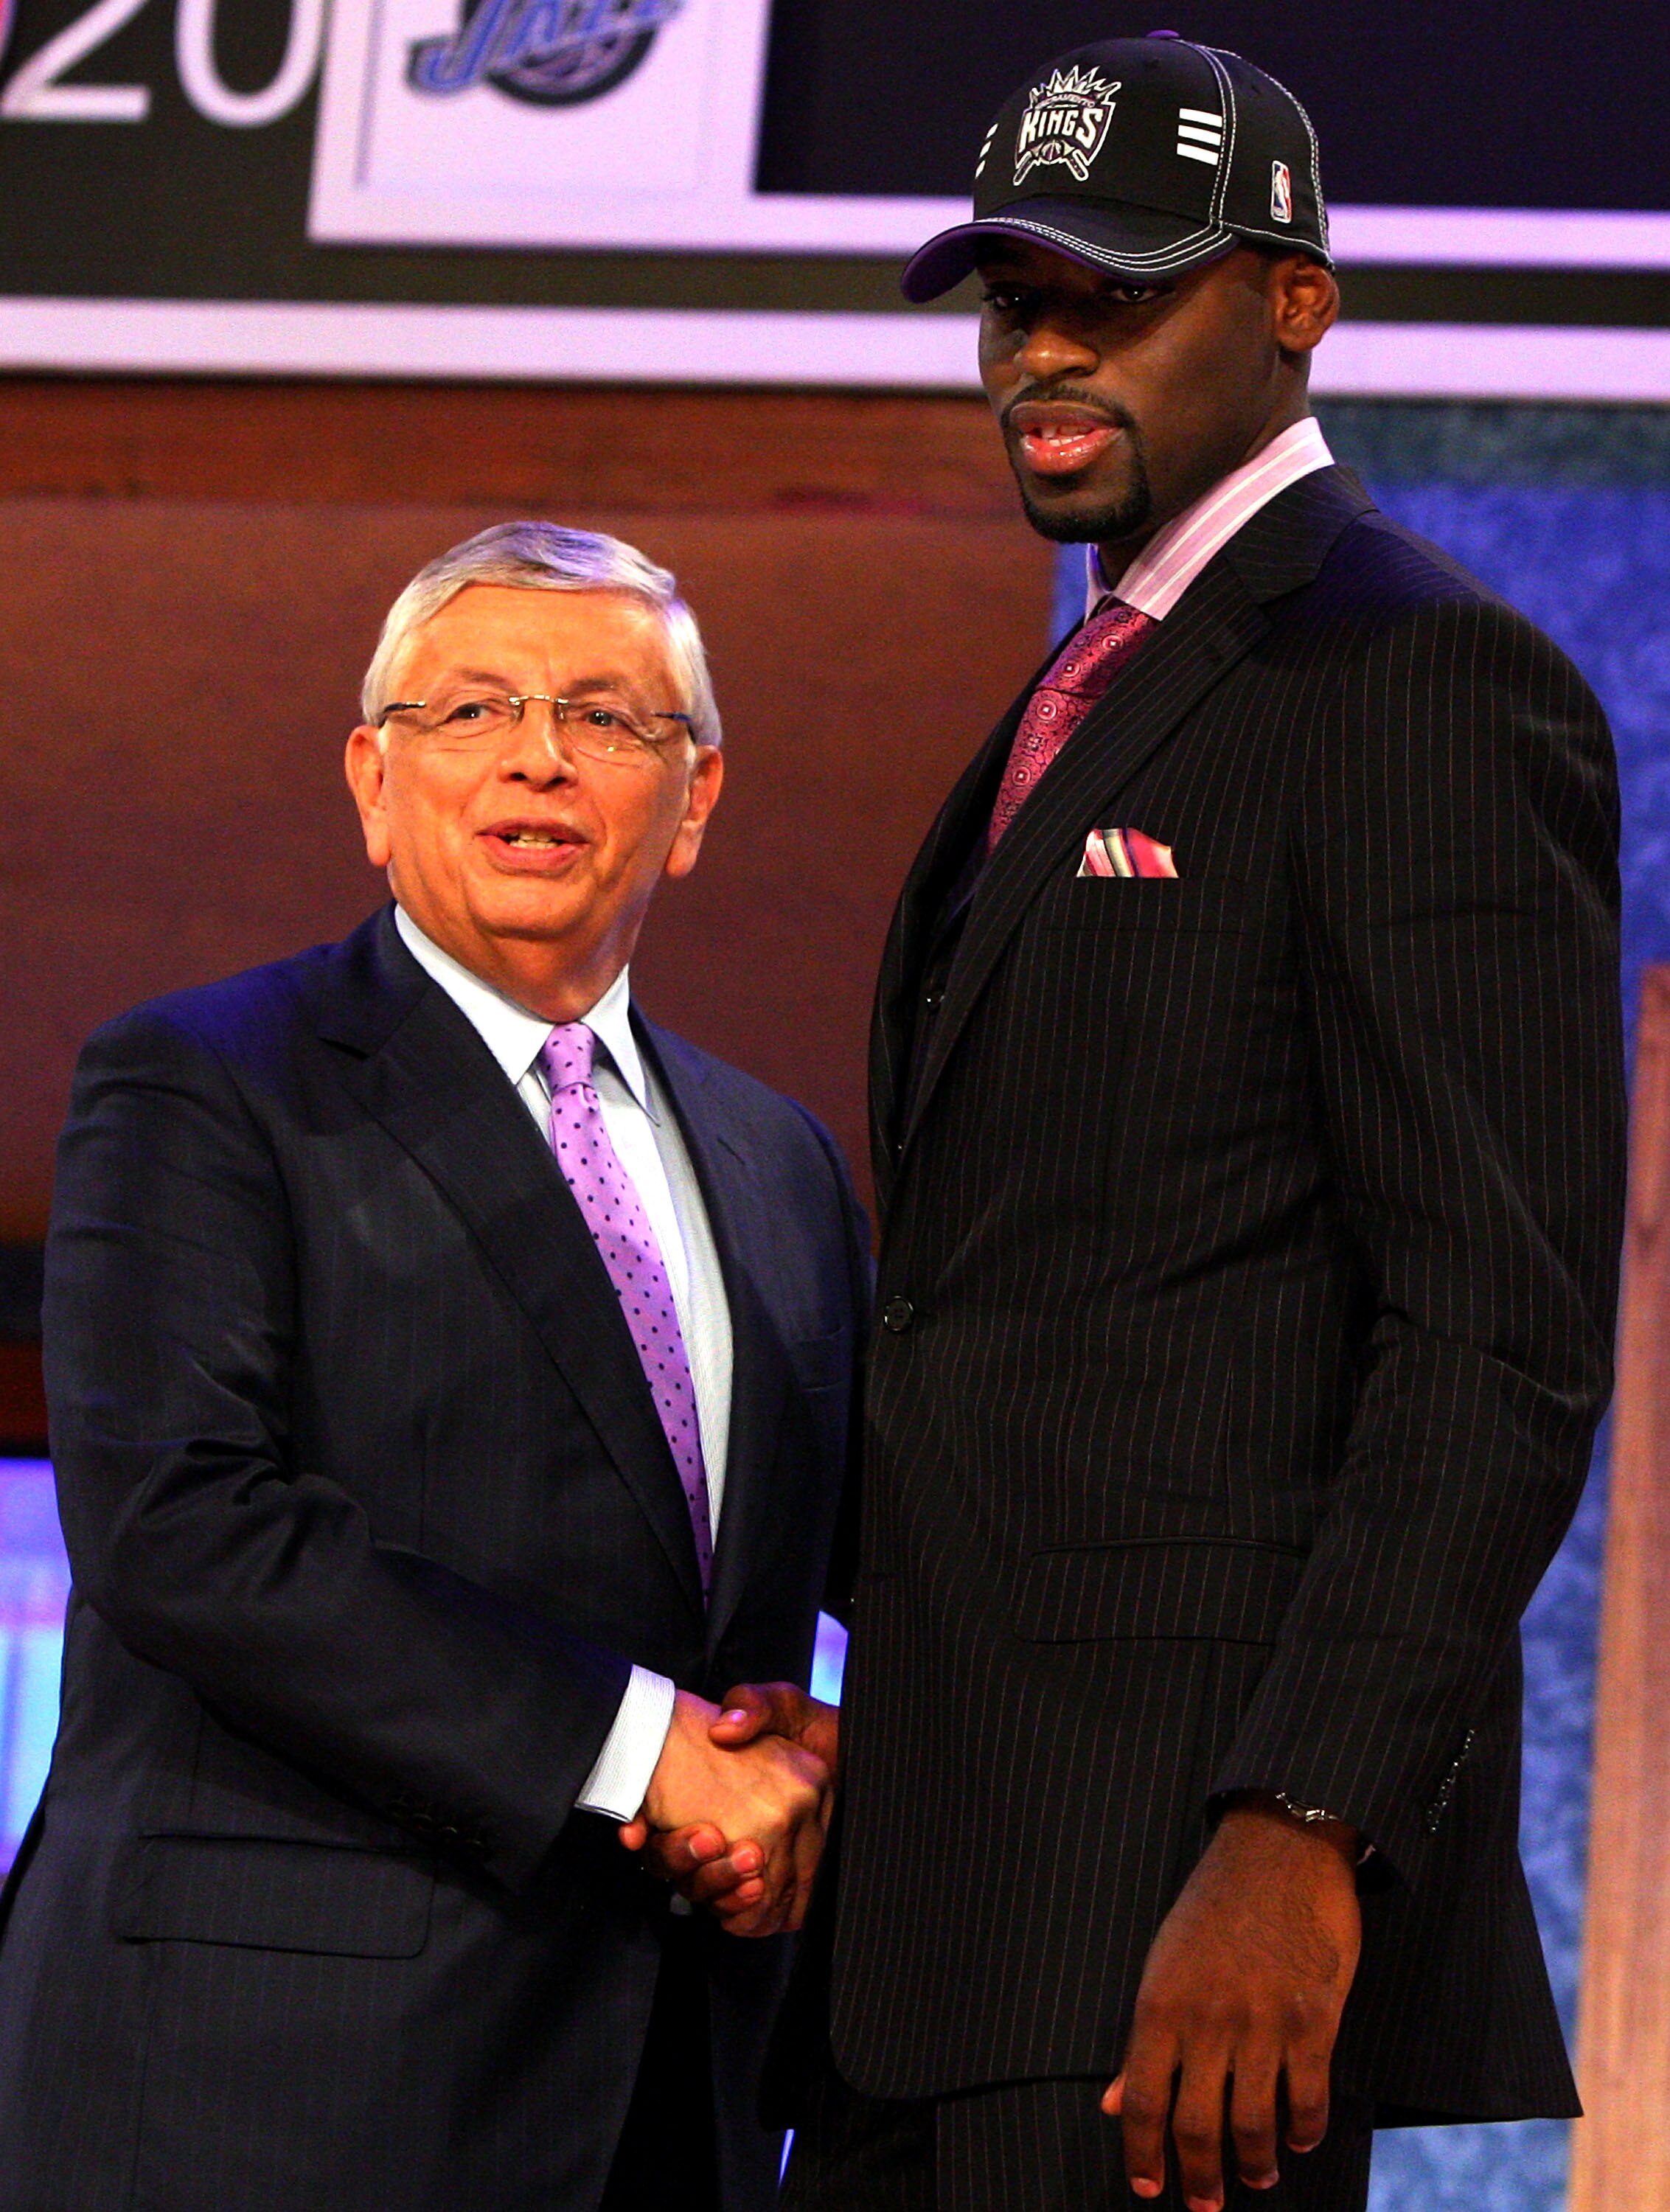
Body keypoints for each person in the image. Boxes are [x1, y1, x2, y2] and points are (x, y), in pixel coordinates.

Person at [672, 33, 1626, 2212]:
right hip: (944, 1929)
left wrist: (1300, 1828)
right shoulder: (1090, 684)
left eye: (1113, 292)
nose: (1042, 350)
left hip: (1184, 1949)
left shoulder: (1415, 675)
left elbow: (1495, 1336)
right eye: (1012, 298)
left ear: (1294, 302)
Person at [0, 523, 869, 2212]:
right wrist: (649, 1748)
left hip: (666, 2096)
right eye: (471, 709)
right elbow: (183, 1530)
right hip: (265, 2094)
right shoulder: (202, 1083)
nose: (539, 755)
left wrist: (838, 1764)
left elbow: (880, 1555)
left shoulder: (780, 1164)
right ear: (372, 781)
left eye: (606, 718)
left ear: (694, 799)